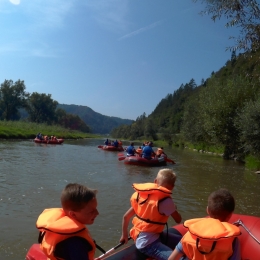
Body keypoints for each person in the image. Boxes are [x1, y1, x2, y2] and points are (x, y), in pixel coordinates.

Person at [120, 169, 182, 260]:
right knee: (182, 254)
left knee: (185, 242)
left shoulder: (143, 196)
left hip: (142, 236)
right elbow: (178, 220)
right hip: (148, 244)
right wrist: (174, 208)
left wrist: (124, 235)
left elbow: (125, 217)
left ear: (155, 181)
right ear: (172, 186)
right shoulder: (166, 201)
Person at [168, 189, 241, 260]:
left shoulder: (192, 232)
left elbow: (172, 258)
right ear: (230, 215)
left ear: (207, 210)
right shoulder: (232, 240)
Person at [36, 183, 99, 260]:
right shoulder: (76, 244)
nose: (97, 213)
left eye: (95, 208)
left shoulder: (50, 227)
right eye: (91, 211)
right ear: (73, 214)